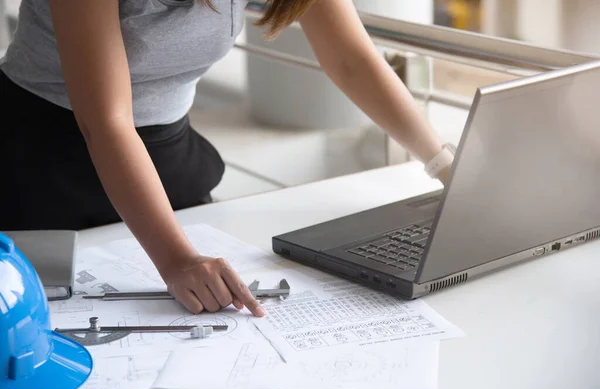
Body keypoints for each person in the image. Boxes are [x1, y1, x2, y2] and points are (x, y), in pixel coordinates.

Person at [0, 0, 453, 317]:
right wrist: (176, 260)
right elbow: (106, 122)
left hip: (165, 158)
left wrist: (444, 164)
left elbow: (352, 59)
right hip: (42, 160)